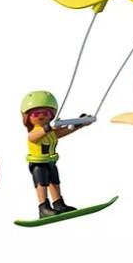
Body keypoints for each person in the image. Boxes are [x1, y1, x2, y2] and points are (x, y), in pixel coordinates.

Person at [21, 90, 92, 218]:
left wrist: (80, 124)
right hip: (38, 164)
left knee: (54, 182)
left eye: (45, 113)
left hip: (51, 161)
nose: (41, 116)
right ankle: (43, 207)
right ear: (28, 117)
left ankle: (58, 204)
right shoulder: (35, 133)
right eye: (36, 113)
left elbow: (64, 131)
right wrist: (48, 128)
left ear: (51, 114)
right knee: (41, 184)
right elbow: (33, 137)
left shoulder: (51, 132)